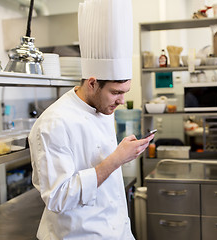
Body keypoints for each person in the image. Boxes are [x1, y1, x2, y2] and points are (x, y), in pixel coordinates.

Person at [29, 0, 151, 239]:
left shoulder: (102, 107)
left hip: (116, 229)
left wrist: (124, 153)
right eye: (116, 93)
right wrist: (116, 159)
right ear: (93, 83)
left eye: (125, 92)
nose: (121, 101)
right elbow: (58, 197)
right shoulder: (54, 123)